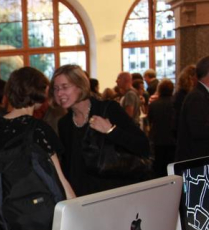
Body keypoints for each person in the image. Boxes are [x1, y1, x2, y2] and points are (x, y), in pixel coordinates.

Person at [0, 66, 75, 230]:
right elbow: (59, 180)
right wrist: (77, 213)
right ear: (37, 93)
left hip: (4, 218)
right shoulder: (39, 129)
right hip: (40, 219)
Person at [53, 64, 151, 196]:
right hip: (84, 199)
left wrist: (111, 131)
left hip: (115, 194)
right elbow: (69, 166)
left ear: (80, 86)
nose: (59, 93)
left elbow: (143, 146)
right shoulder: (64, 123)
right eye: (56, 88)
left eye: (65, 87)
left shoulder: (108, 110)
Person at [147, 79, 176, 177]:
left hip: (157, 138)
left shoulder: (154, 104)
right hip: (172, 139)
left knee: (159, 166)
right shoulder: (175, 103)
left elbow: (150, 120)